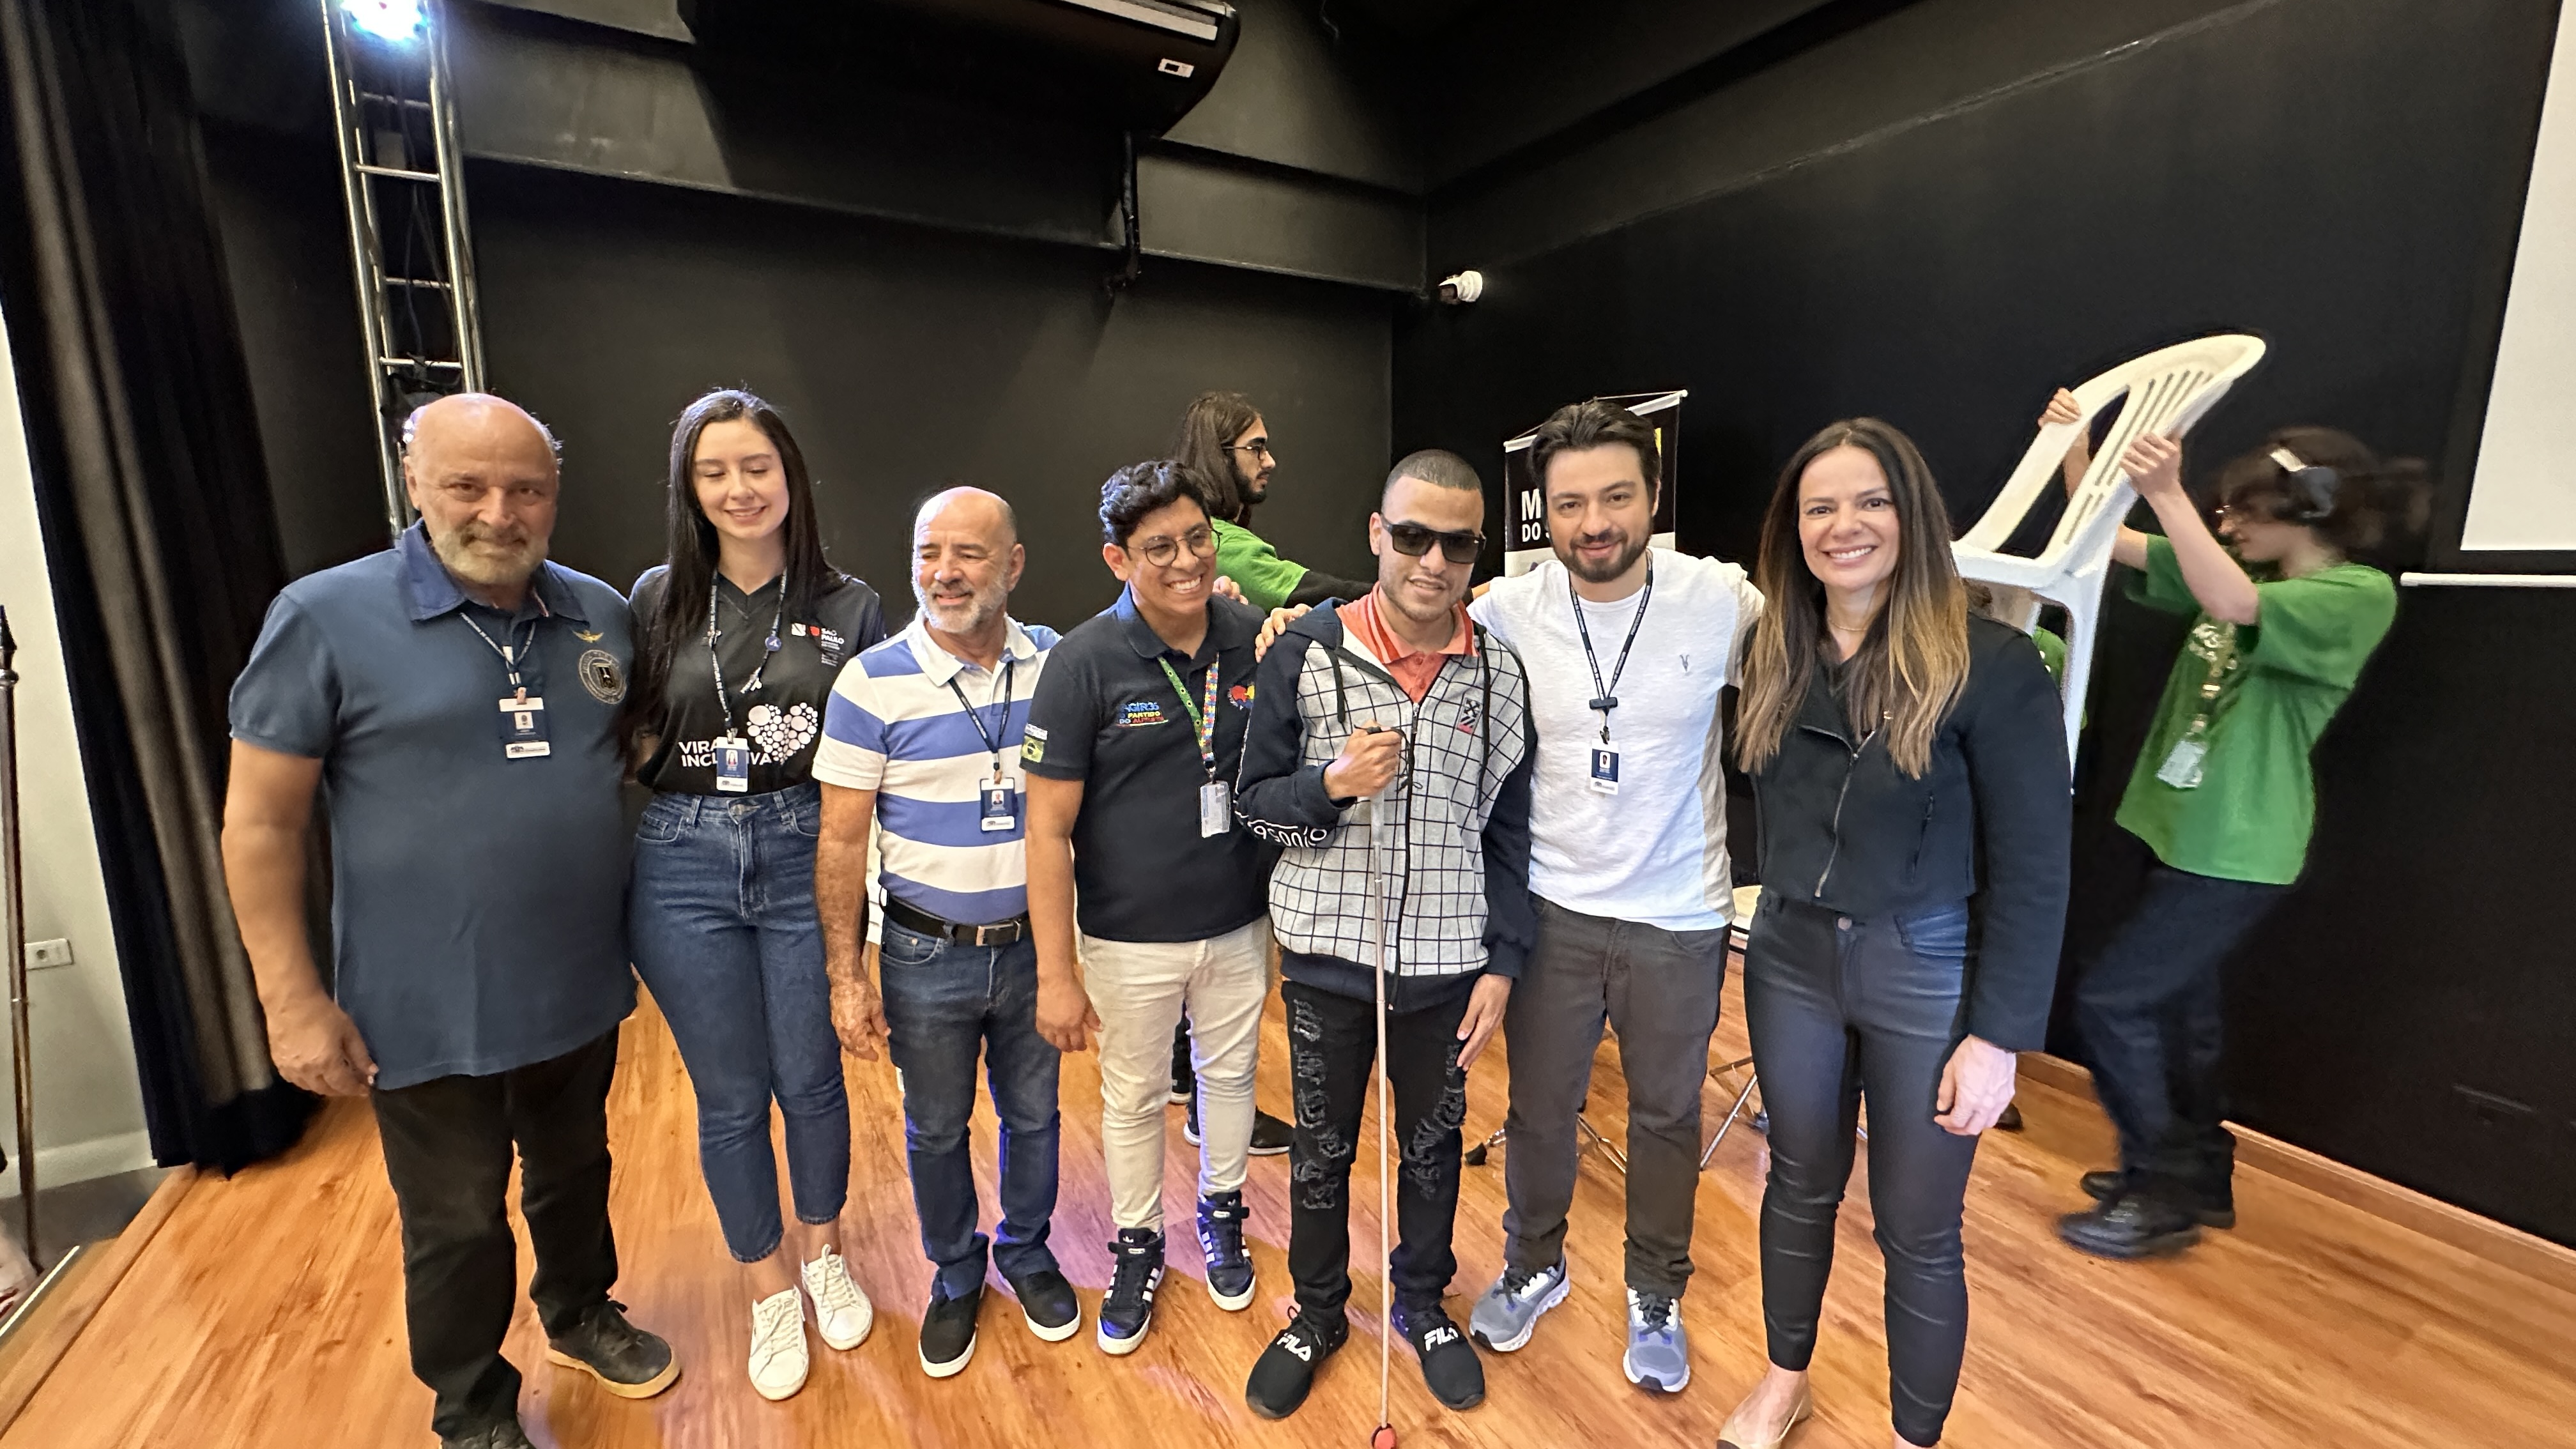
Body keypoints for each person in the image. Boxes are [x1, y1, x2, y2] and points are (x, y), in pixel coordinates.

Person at [222, 394, 676, 1449]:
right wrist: (292, 1002)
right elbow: (259, 824)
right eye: (467, 485)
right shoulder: (324, 616)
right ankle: (471, 1404)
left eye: (526, 489)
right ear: (414, 482)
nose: (499, 512)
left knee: (576, 1168)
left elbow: (633, 758)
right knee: (459, 1216)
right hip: (418, 1000)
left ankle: (580, 1312)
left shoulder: (600, 612)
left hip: (574, 977)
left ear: (554, 495)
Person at [1715, 418, 2069, 1449]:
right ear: (1792, 529)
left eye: (1869, 501)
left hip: (1927, 970)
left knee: (1918, 1228)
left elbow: (2037, 867)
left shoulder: (1993, 664)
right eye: (1819, 506)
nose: (1845, 525)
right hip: (1789, 958)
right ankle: (1785, 1381)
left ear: (1912, 515)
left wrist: (1998, 1037)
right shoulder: (1772, 651)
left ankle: (1915, 1436)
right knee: (1797, 1183)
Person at [2039, 393, 2405, 1261]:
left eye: (2246, 511)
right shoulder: (2244, 572)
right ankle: (2201, 1173)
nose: (2227, 523)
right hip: (2182, 829)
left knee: (2115, 1001)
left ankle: (2159, 1187)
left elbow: (2232, 604)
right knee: (2181, 1011)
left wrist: (2168, 494)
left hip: (2238, 846)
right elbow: (2111, 542)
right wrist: (2078, 451)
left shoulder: (2356, 594)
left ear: (2309, 512)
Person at [1460, 398, 1763, 1393]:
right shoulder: (1509, 610)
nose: (1595, 523)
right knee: (1540, 1108)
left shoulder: (1722, 600)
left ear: (1654, 496)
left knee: (1667, 1116)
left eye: (1617, 497)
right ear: (1544, 511)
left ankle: (1655, 1290)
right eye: (1571, 503)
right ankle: (1534, 1262)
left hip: (1679, 914)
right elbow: (1407, 634)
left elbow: (1825, 656)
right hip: (1554, 907)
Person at [1234, 449, 1535, 1422]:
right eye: (1412, 536)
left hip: (1448, 968)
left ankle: (1422, 1303)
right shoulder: (1303, 652)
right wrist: (1329, 787)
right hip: (1329, 962)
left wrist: (1504, 961)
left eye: (1458, 544)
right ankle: (1319, 1312)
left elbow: (1509, 832)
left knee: (1434, 1146)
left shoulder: (1498, 675)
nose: (1433, 561)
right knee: (1322, 1151)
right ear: (1377, 534)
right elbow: (1253, 807)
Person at [625, 388, 887, 1399]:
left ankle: (823, 1254)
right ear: (690, 489)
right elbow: (634, 729)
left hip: (803, 847)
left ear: (790, 477)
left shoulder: (851, 606)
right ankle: (768, 1286)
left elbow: (877, 755)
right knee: (731, 1096)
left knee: (812, 1078)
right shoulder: (658, 597)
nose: (739, 489)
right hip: (683, 859)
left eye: (757, 467)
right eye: (714, 472)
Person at [810, 486, 1078, 1379]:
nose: (945, 573)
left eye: (968, 553)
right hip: (925, 956)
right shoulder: (870, 681)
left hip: (1036, 945)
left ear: (1014, 564)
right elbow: (841, 842)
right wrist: (846, 976)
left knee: (1035, 1117)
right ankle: (956, 1271)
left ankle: (1028, 1251)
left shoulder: (1057, 666)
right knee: (935, 1129)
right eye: (930, 552)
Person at [1023, 461, 1274, 1355]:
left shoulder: (1252, 635)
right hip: (1127, 938)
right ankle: (1138, 1244)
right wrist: (1056, 975)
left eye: (1197, 539)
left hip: (1239, 922)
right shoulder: (1081, 662)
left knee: (1231, 1079)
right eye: (1158, 548)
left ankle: (1222, 1214)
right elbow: (1046, 831)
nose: (1186, 561)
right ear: (1118, 560)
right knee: (1133, 1099)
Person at [1167, 389, 1358, 1152]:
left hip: (1197, 776)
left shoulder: (1220, 537)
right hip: (1214, 772)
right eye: (1256, 447)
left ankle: (1187, 1085)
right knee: (1222, 946)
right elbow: (1329, 597)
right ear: (1220, 454)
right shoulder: (1224, 541)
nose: (1270, 461)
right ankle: (1211, 1108)